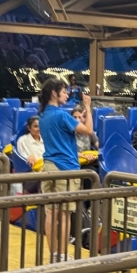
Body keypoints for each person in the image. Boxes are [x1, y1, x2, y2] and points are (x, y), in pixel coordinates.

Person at [38, 78, 93, 260]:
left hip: (48, 166)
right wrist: (88, 107)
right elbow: (88, 131)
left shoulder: (43, 115)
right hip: (66, 168)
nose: (67, 94)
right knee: (64, 214)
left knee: (50, 212)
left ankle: (53, 253)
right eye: (64, 91)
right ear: (54, 93)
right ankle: (62, 254)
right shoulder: (62, 115)